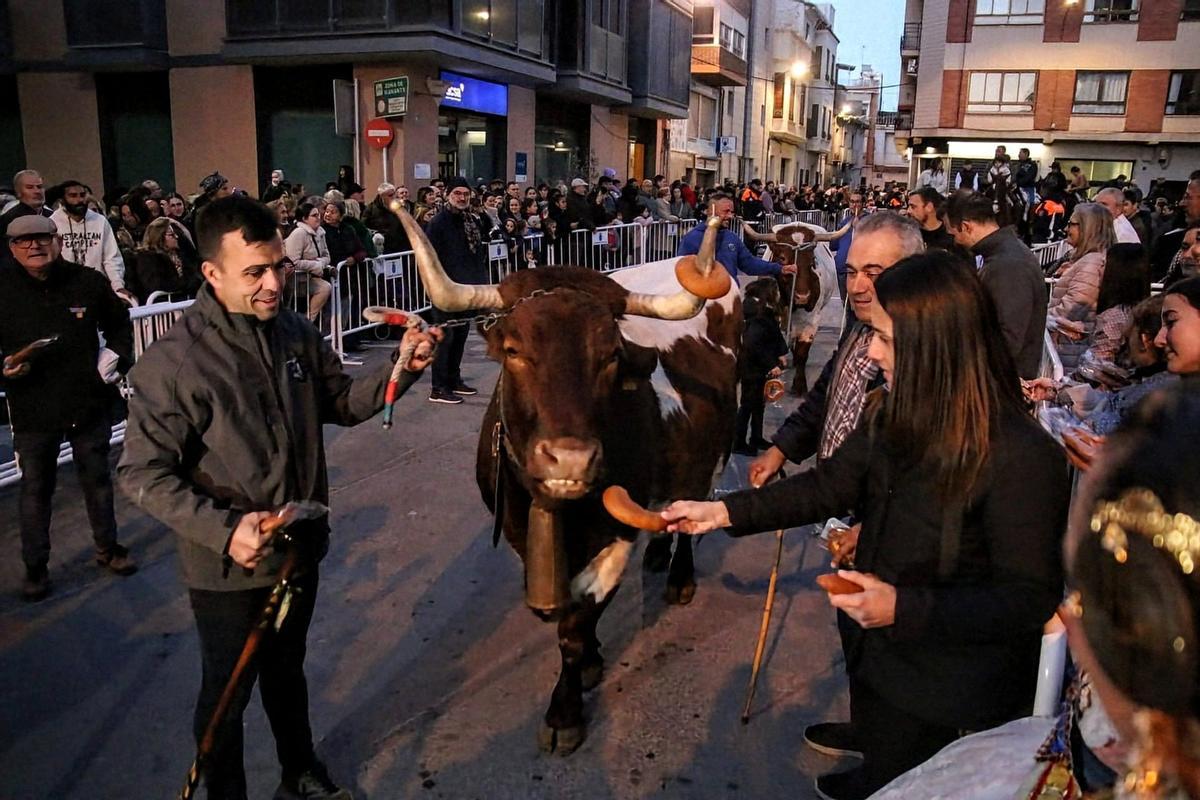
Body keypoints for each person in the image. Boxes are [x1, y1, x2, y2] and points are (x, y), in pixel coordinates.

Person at [664, 252, 1069, 800]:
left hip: (951, 690)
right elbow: (829, 487)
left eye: (883, 338)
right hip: (882, 661)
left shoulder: (1024, 456)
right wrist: (723, 511)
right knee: (883, 763)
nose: (871, 354)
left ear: (936, 345)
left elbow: (1026, 598)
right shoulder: (892, 414)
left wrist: (902, 606)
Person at [117, 195, 439, 800]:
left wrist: (402, 368)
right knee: (227, 696)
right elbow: (141, 474)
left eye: (278, 267)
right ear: (210, 273)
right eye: (255, 273)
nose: (273, 284)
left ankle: (299, 770)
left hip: (300, 547)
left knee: (287, 671)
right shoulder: (175, 364)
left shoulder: (293, 330)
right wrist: (224, 529)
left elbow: (341, 401)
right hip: (227, 570)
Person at [0, 215, 137, 601]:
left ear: (56, 240)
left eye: (42, 238)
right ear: (12, 249)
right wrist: (5, 368)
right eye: (24, 242)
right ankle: (35, 569)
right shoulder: (3, 289)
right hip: (31, 407)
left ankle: (108, 549)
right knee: (35, 488)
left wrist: (111, 362)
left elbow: (121, 326)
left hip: (86, 400)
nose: (34, 246)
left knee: (97, 480)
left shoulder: (88, 282)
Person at [944, 190, 1047, 379]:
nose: (955, 241)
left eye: (953, 234)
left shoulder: (1008, 264)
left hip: (1002, 382)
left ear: (966, 227)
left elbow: (1007, 339)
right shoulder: (1004, 255)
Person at [424, 176, 488, 404]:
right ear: (448, 195)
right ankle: (438, 387)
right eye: (457, 194)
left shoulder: (471, 220)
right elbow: (429, 257)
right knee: (445, 338)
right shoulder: (438, 222)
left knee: (460, 335)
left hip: (467, 288)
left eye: (465, 194)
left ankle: (453, 379)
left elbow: (476, 254)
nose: (462, 198)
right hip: (445, 289)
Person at [1047, 202, 1116, 369]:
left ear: (1088, 228)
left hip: (1070, 349)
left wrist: (1041, 318)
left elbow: (1072, 309)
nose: (1066, 229)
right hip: (1068, 347)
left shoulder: (1092, 263)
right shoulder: (1088, 260)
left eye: (1072, 224)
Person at [676, 194, 794, 281]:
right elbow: (681, 271)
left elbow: (749, 263)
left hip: (730, 300)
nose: (730, 216)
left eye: (732, 212)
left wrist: (780, 269)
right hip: (704, 304)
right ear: (710, 212)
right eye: (726, 212)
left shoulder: (732, 237)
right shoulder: (692, 238)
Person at [51, 179, 133, 303]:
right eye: (73, 196)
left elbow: (112, 258)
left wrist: (118, 286)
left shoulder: (100, 221)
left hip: (97, 289)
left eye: (82, 195)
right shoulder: (52, 222)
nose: (80, 200)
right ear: (62, 200)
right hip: (65, 291)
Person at [734, 284, 788, 456]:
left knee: (758, 405)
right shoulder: (757, 313)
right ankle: (739, 442)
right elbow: (754, 344)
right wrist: (771, 364)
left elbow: (772, 334)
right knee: (748, 405)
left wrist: (780, 352)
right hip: (752, 368)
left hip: (757, 368)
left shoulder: (762, 311)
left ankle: (756, 437)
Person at [283, 201, 333, 323]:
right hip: (293, 280)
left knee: (325, 288)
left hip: (309, 277)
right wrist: (314, 265)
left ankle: (308, 321)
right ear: (305, 219)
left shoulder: (321, 232)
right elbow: (292, 261)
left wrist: (320, 263)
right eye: (314, 215)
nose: (318, 217)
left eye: (318, 214)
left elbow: (327, 255)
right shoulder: (298, 233)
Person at [133, 217, 203, 301]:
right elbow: (156, 285)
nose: (176, 237)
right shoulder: (147, 258)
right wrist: (185, 284)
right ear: (159, 237)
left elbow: (194, 274)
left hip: (187, 300)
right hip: (164, 306)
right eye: (171, 235)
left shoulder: (181, 253)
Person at [904, 187, 966, 258]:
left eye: (913, 207)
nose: (908, 211)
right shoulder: (907, 235)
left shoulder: (952, 236)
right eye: (908, 206)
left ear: (929, 207)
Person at [0, 169, 54, 242]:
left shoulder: (53, 216)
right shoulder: (8, 220)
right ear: (18, 192)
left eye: (39, 186)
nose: (37, 191)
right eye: (30, 187)